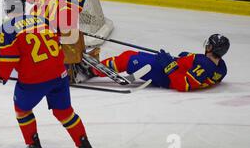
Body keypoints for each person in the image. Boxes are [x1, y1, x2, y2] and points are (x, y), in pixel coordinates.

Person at [0, 0, 98, 148]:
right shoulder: (43, 20)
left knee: (22, 110)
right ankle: (84, 145)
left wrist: (0, 76)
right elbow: (55, 44)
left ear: (7, 8)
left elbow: (9, 58)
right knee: (64, 112)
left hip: (34, 79)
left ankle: (34, 145)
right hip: (59, 74)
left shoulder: (6, 28)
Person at [74, 34, 229, 92]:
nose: (206, 47)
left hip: (165, 75)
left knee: (128, 59)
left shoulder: (204, 66)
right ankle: (94, 68)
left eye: (209, 45)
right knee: (129, 56)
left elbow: (183, 85)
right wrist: (184, 58)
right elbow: (199, 70)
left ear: (213, 48)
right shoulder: (221, 68)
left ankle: (91, 70)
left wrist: (170, 65)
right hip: (169, 67)